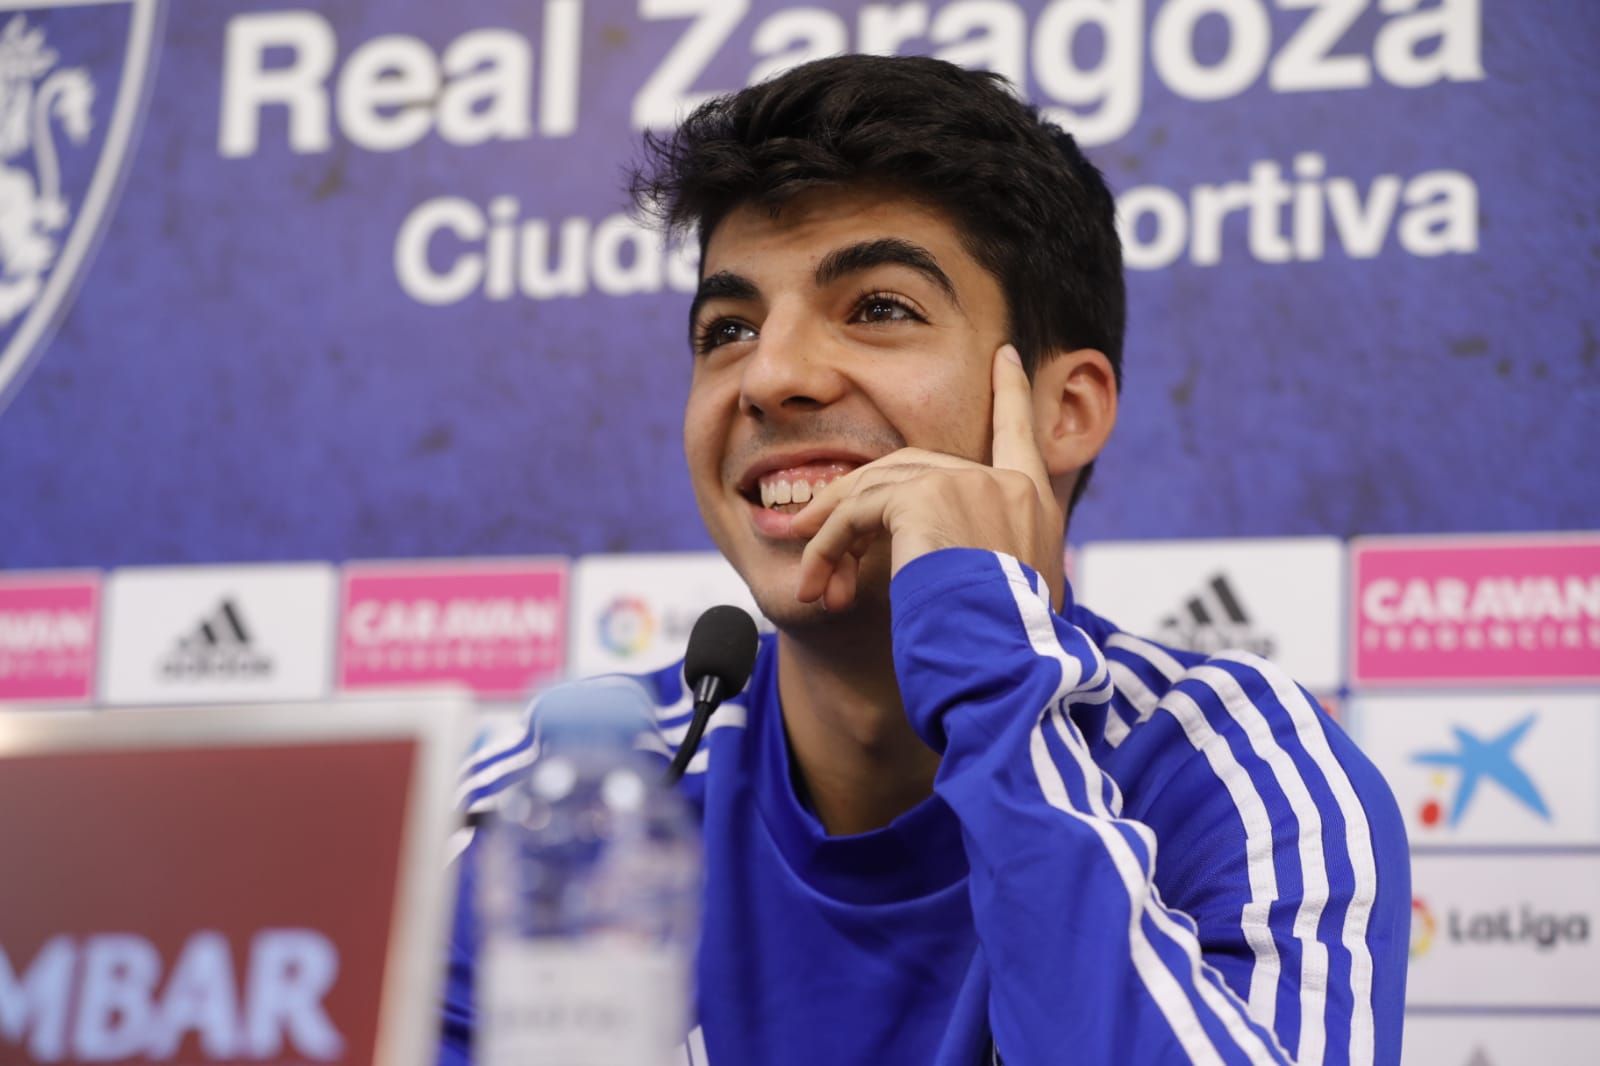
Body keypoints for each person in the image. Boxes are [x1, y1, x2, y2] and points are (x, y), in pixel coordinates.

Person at [441, 54, 1409, 1065]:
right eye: (728, 328)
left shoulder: (1237, 782)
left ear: (1062, 410)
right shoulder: (561, 802)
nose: (769, 377)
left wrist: (990, 661)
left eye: (879, 308)